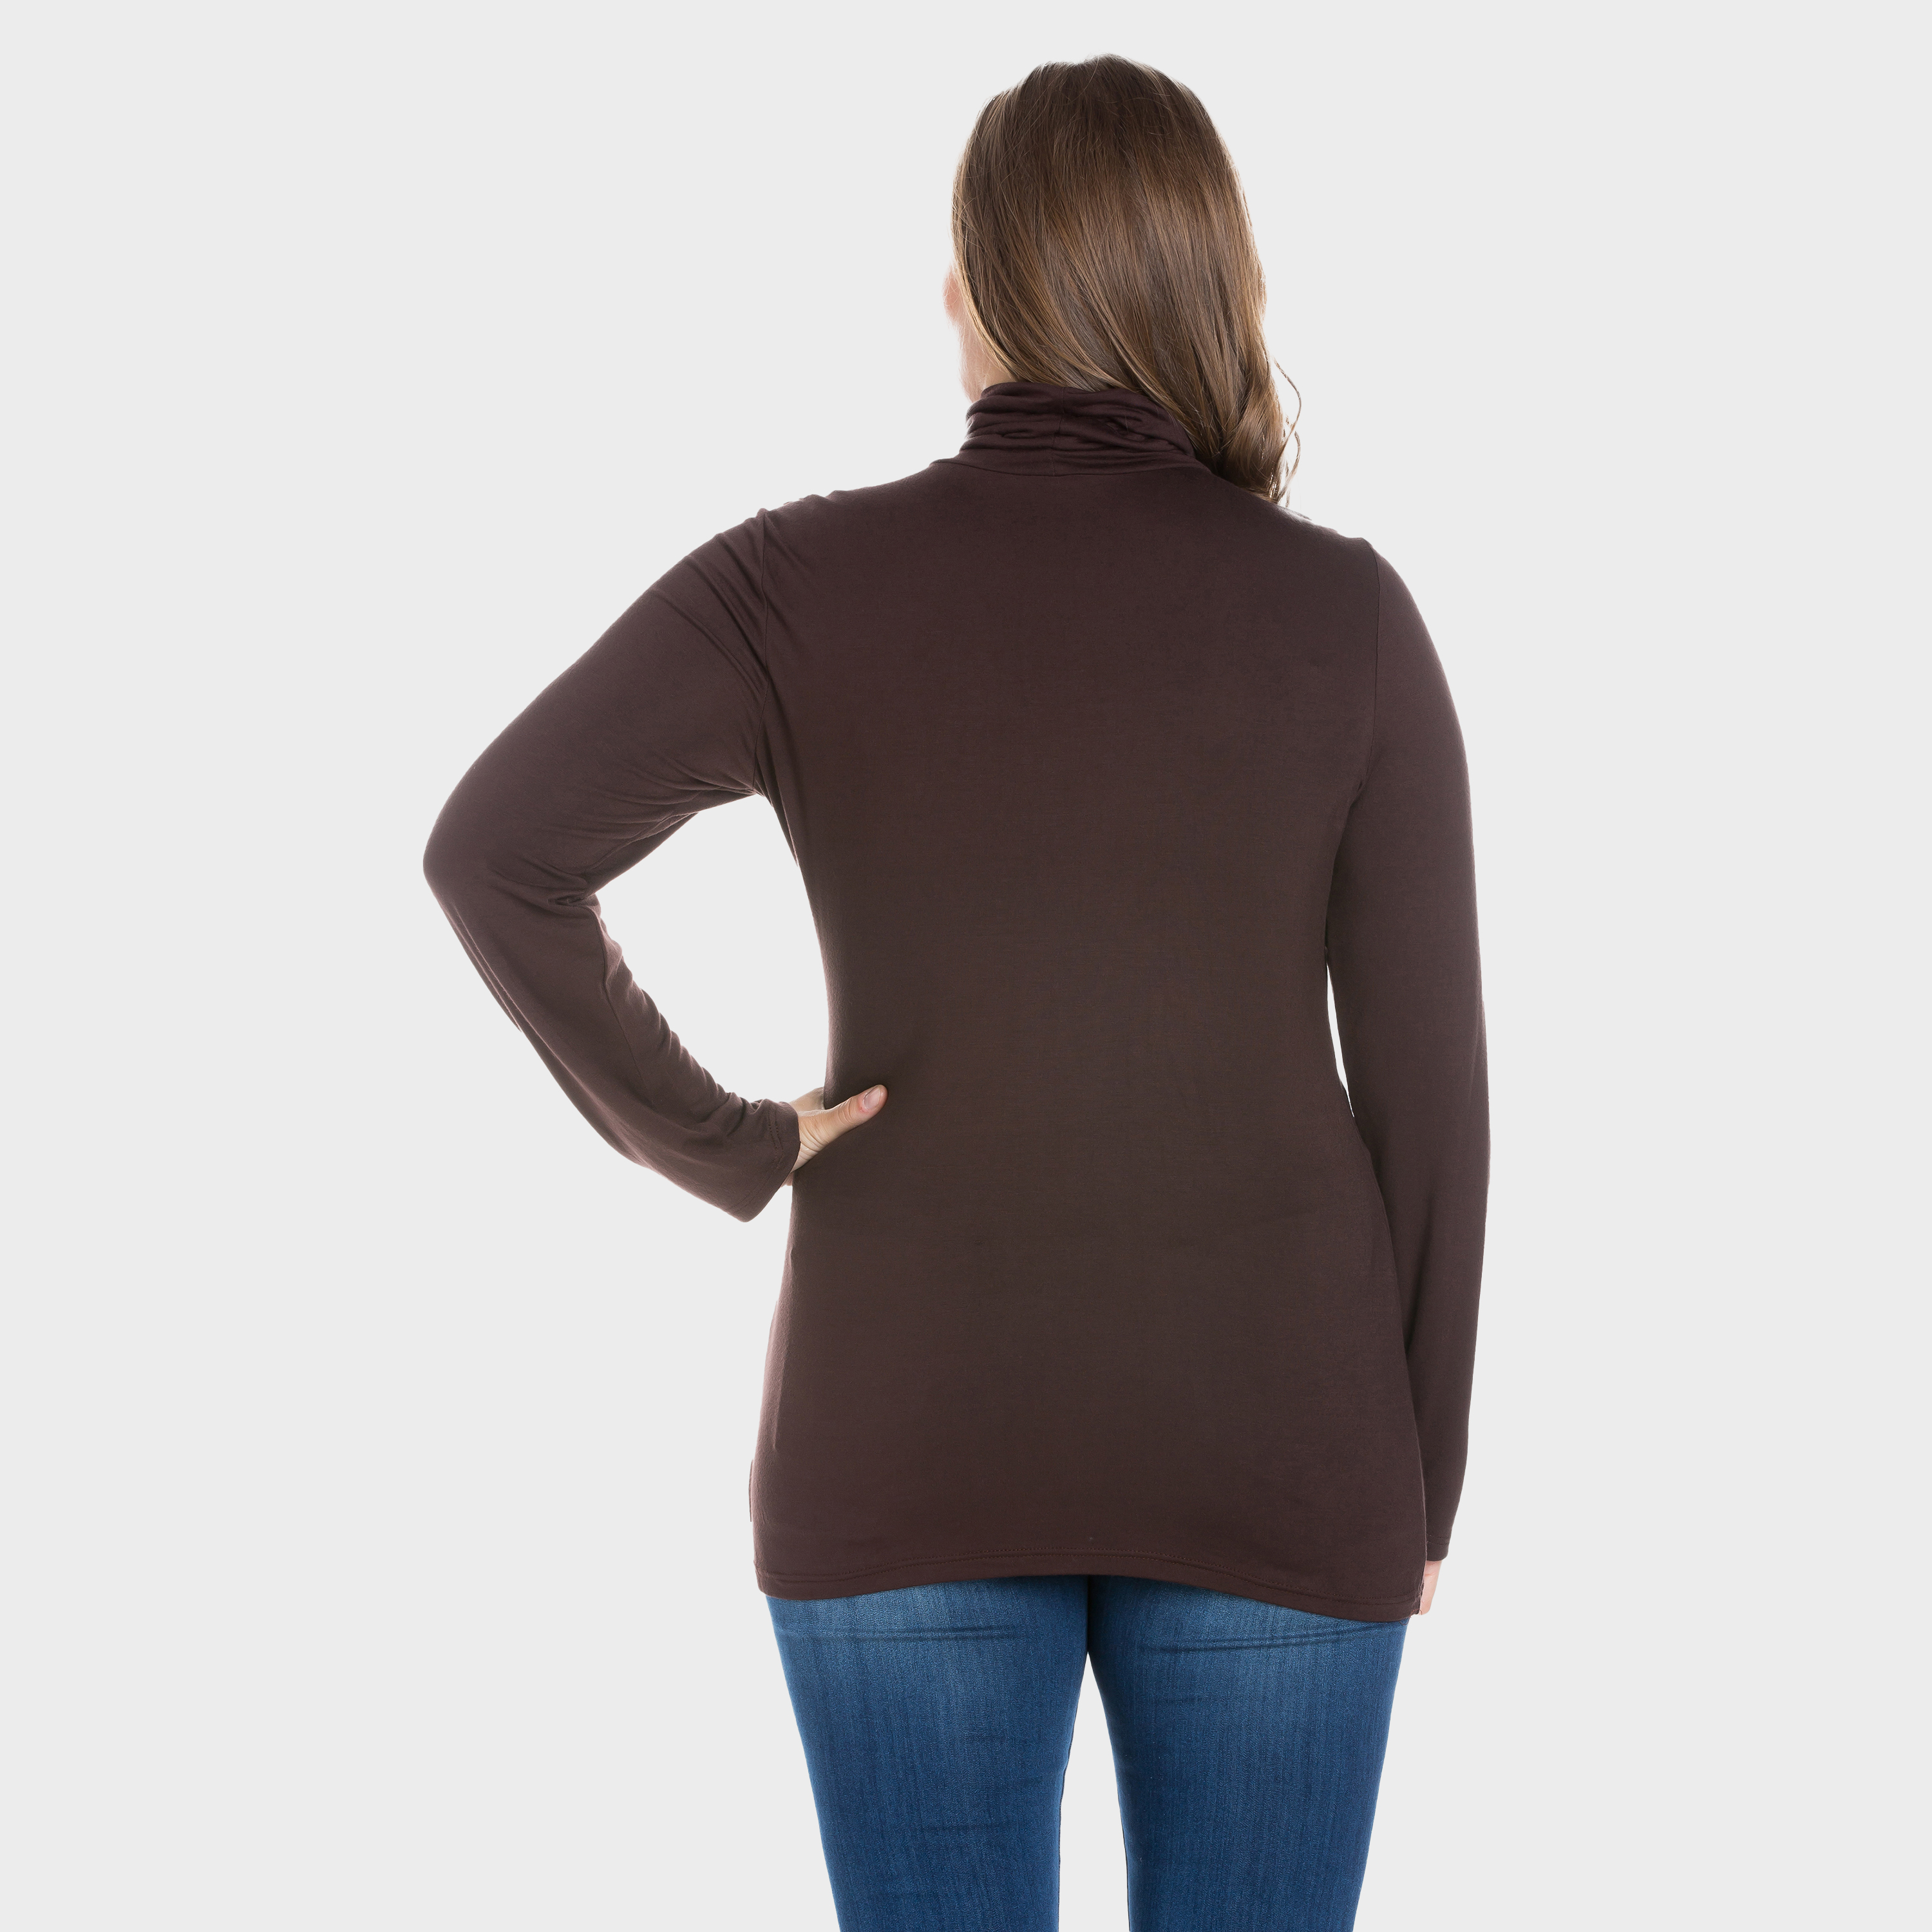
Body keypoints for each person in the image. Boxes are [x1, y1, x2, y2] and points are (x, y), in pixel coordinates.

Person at [424, 54, 1488, 1932]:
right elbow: (1433, 1113)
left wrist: (729, 1146)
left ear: (976, 289)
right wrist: (1427, 1489)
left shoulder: (796, 584)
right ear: (1212, 289)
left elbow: (496, 849)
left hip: (900, 1427)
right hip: (1282, 1443)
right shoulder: (1351, 619)